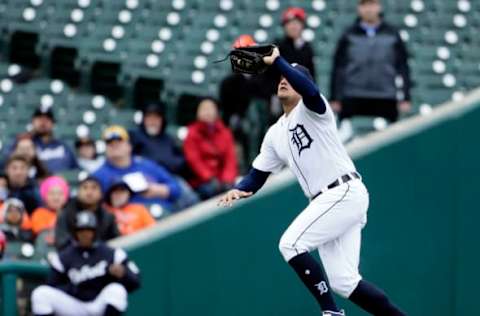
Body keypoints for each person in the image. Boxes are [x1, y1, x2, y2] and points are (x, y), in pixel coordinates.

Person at [219, 47, 405, 315]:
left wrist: (280, 62)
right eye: (282, 78)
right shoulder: (274, 134)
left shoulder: (315, 109)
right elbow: (257, 175)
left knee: (291, 243)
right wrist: (240, 189)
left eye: (292, 77)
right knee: (345, 282)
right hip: (330, 201)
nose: (284, 80)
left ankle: (331, 312)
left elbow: (309, 90)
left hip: (342, 190)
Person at [31, 211, 140, 316]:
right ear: (75, 233)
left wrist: (124, 274)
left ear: (95, 232)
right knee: (40, 294)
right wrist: (75, 287)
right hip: (74, 306)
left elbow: (136, 282)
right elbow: (52, 285)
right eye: (81, 231)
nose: (85, 234)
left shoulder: (112, 253)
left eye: (88, 230)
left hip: (98, 304)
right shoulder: (64, 257)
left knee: (117, 289)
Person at [330, 0, 411, 122]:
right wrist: (335, 97)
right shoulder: (348, 34)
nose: (368, 9)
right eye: (364, 4)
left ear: (379, 6)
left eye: (372, 4)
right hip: (353, 96)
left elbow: (402, 66)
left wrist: (406, 97)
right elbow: (339, 67)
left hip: (386, 97)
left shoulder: (393, 33)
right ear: (359, 8)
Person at [93, 125, 181, 212]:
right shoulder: (99, 176)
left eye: (119, 142)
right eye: (110, 143)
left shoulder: (146, 164)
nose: (115, 146)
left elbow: (176, 188)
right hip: (127, 220)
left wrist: (157, 190)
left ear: (129, 146)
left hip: (162, 212)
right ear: (105, 149)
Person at [129, 104, 199, 209]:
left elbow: (181, 161)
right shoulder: (135, 136)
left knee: (191, 200)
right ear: (143, 120)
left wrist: (164, 163)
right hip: (146, 179)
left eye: (156, 118)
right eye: (149, 118)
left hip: (170, 177)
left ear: (162, 120)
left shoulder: (169, 139)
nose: (153, 121)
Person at [183, 98, 238, 200]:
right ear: (197, 113)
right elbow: (194, 160)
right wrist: (209, 177)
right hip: (202, 181)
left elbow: (230, 160)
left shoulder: (225, 132)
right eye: (204, 109)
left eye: (210, 108)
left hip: (223, 179)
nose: (207, 112)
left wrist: (227, 179)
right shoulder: (191, 133)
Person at [55, 176, 119, 250]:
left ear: (101, 194)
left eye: (94, 188)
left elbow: (117, 243)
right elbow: (61, 243)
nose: (89, 192)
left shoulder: (108, 217)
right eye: (85, 188)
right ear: (78, 192)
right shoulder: (65, 214)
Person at [29, 106, 78, 172]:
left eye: (47, 119)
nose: (43, 122)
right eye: (39, 118)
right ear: (33, 122)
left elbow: (75, 170)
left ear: (53, 123)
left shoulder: (63, 147)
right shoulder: (24, 144)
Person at [31, 176, 70, 245]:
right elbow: (43, 235)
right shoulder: (39, 213)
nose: (56, 198)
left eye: (60, 193)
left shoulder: (70, 213)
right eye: (52, 194)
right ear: (45, 196)